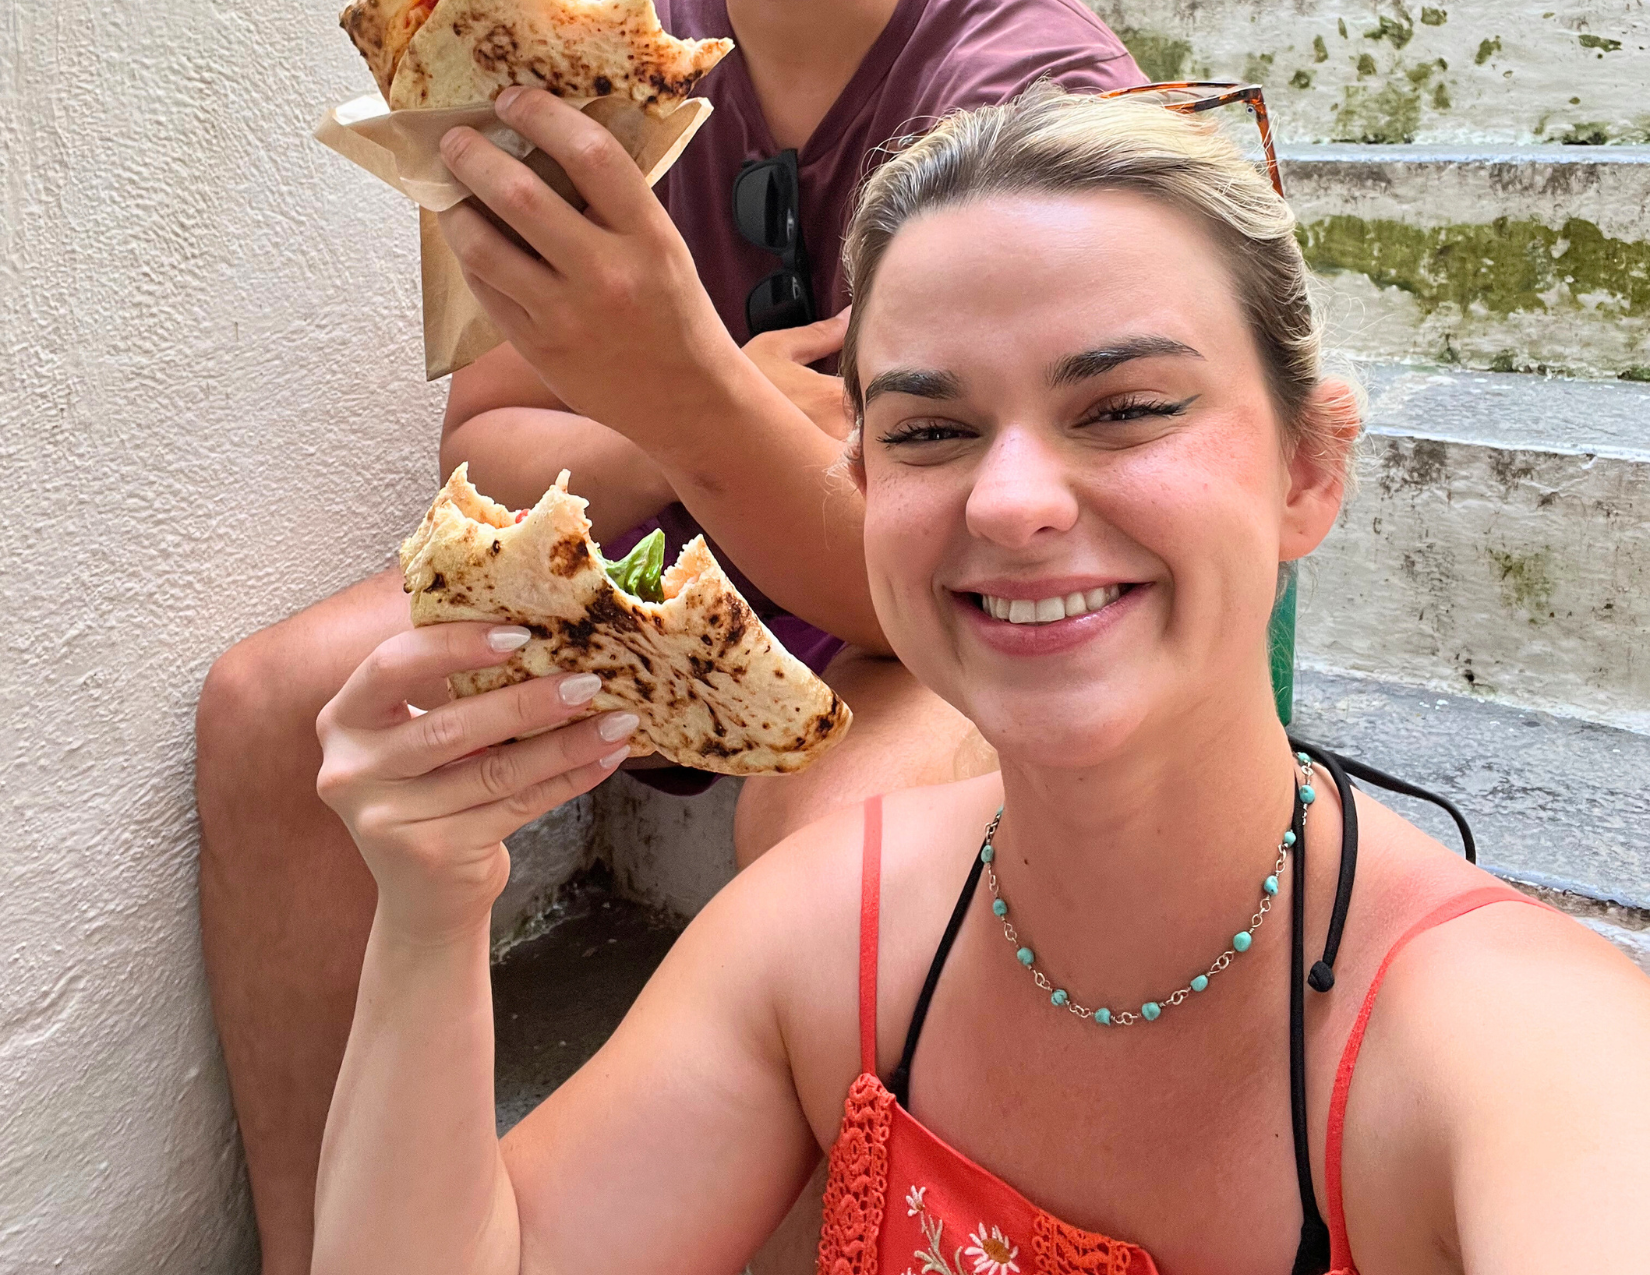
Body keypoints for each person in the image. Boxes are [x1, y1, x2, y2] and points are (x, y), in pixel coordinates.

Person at [306, 86, 1650, 1275]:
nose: (1009, 502)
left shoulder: (1527, 1054)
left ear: (1307, 467)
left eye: (1123, 408)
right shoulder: (826, 931)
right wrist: (428, 916)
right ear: (866, 487)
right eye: (932, 430)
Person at [195, 3, 1140, 1269]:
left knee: (842, 844)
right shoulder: (575, 53)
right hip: (641, 560)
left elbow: (943, 582)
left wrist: (685, 384)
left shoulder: (1031, 88)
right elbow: (485, 442)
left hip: (929, 620)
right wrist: (690, 407)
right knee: (275, 707)